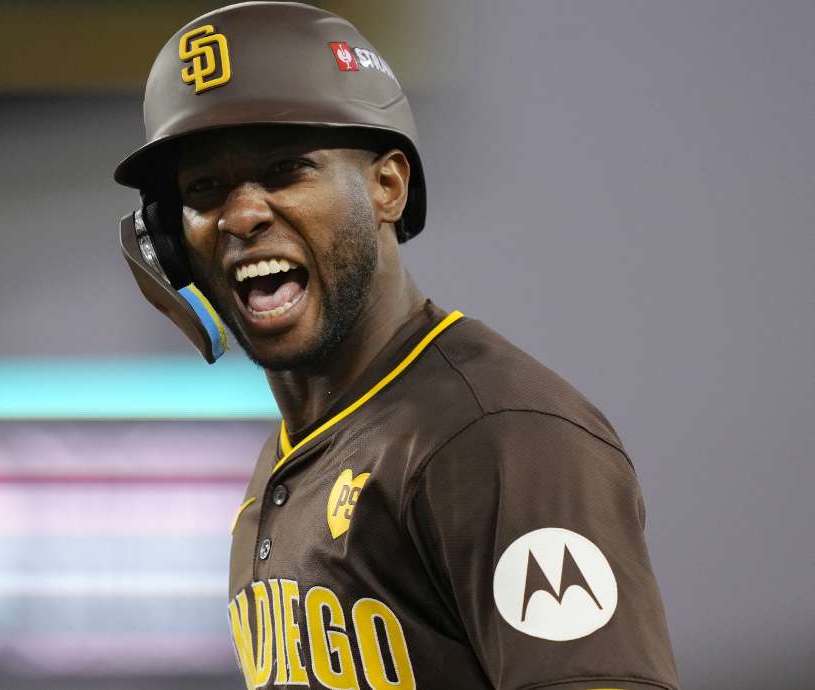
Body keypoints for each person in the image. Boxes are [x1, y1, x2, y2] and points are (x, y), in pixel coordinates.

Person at [114, 3, 679, 689]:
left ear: (387, 186)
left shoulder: (495, 437)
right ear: (167, 243)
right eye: (205, 189)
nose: (241, 214)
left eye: (288, 169)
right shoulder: (287, 461)